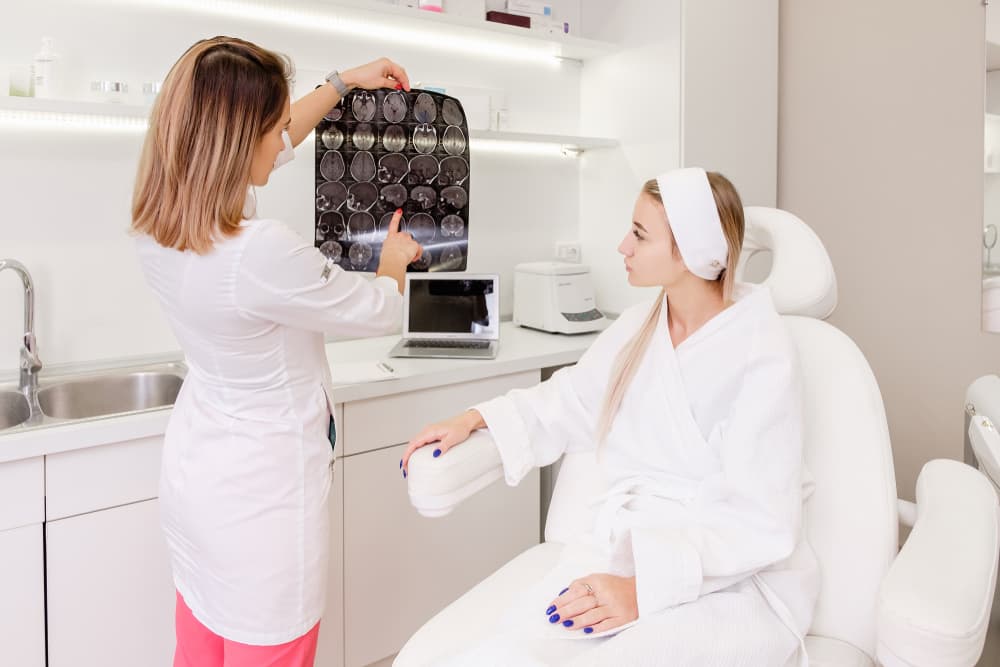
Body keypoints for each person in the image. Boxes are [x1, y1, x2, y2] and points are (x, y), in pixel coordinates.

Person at [401, 168, 819, 666]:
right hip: (627, 548)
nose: (623, 246)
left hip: (730, 581)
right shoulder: (637, 326)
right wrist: (475, 418)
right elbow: (569, 402)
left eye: (640, 235)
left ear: (689, 250)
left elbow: (761, 520)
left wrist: (644, 591)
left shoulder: (762, 350)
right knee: (510, 650)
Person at [131, 37, 421, 667]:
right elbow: (374, 311)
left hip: (199, 486)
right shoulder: (259, 251)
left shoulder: (159, 222)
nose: (284, 135)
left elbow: (279, 142)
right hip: (264, 509)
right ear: (238, 140)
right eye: (273, 124)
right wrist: (392, 265)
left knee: (201, 649)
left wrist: (343, 83)